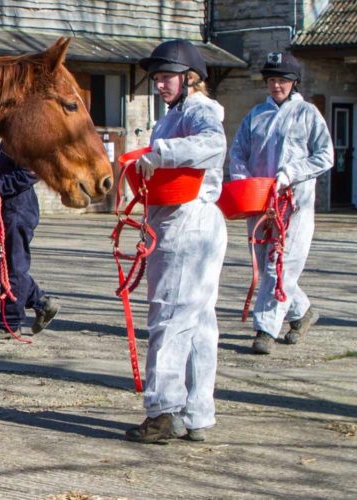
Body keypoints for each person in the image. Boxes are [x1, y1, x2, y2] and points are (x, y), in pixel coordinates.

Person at [125, 40, 228, 444]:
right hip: (184, 221)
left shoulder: (199, 110)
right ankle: (198, 412)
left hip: (187, 222)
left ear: (189, 78)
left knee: (168, 315)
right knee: (199, 322)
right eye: (156, 78)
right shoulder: (171, 115)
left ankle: (164, 410)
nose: (159, 85)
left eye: (166, 77)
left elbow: (213, 144)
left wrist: (161, 153)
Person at [227, 52, 333, 355]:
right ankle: (302, 311)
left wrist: (292, 173)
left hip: (294, 204)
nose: (276, 85)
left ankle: (265, 330)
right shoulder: (255, 115)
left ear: (293, 82)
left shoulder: (308, 114)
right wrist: (244, 180)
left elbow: (325, 155)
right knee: (264, 265)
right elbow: (238, 153)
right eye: (272, 79)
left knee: (280, 264)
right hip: (259, 202)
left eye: (282, 80)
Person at [0, 146, 60, 340]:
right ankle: (41, 302)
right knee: (0, 266)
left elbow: (32, 172)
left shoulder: (25, 139)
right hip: (6, 210)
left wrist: (0, 185)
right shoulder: (10, 138)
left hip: (17, 211)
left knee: (12, 268)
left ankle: (9, 324)